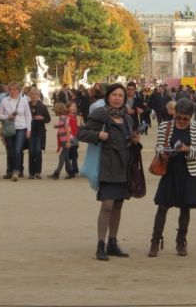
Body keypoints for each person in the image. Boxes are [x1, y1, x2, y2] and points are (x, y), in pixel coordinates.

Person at [77, 83, 142, 261]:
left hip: (124, 165)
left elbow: (128, 138)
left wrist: (134, 139)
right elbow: (81, 133)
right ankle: (100, 244)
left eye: (120, 95)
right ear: (108, 97)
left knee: (118, 205)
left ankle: (113, 242)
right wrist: (98, 135)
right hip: (107, 165)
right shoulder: (100, 114)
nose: (117, 98)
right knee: (107, 205)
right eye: (114, 95)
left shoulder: (127, 118)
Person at [148, 98, 196, 257]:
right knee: (162, 206)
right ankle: (155, 240)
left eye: (185, 118)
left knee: (185, 208)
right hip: (170, 171)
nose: (181, 121)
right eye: (178, 117)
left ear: (191, 117)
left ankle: (181, 241)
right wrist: (162, 152)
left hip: (189, 173)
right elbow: (159, 145)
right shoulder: (165, 126)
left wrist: (187, 149)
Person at [0, 81, 32, 181]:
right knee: (10, 150)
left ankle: (16, 171)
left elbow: (28, 115)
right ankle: (10, 170)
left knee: (17, 150)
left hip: (21, 127)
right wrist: (8, 116)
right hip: (8, 128)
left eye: (14, 89)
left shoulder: (24, 100)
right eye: (10, 89)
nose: (12, 91)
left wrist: (29, 129)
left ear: (18, 90)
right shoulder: (4, 101)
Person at [27, 87, 50, 179]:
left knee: (38, 151)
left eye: (36, 95)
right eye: (32, 94)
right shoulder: (26, 105)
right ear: (29, 96)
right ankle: (31, 173)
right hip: (30, 131)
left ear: (39, 96)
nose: (34, 96)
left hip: (39, 132)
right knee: (31, 152)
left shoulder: (42, 106)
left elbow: (48, 119)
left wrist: (42, 118)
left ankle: (38, 172)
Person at [50, 102, 73, 180]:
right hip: (64, 140)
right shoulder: (62, 117)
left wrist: (68, 141)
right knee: (65, 157)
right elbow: (63, 125)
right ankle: (71, 171)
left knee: (61, 156)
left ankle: (57, 173)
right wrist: (57, 126)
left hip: (67, 140)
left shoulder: (63, 117)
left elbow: (67, 129)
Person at [65, 100, 80, 178]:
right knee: (68, 155)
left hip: (75, 138)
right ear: (67, 108)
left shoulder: (76, 117)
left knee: (74, 154)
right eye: (71, 106)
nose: (73, 108)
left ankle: (75, 170)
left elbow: (77, 127)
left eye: (74, 106)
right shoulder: (67, 117)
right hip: (69, 138)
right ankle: (70, 171)